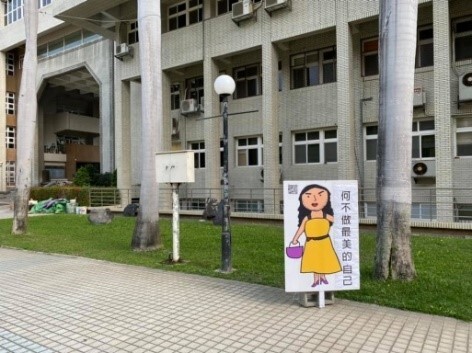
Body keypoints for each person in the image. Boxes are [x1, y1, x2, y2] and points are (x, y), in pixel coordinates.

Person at [290, 184, 341, 287]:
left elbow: (339, 222)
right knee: (314, 260)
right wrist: (294, 239)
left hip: (324, 242)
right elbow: (301, 229)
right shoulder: (307, 217)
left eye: (320, 195)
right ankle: (316, 279)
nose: (314, 199)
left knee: (323, 259)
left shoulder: (326, 216)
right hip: (311, 243)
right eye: (308, 196)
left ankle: (323, 277)